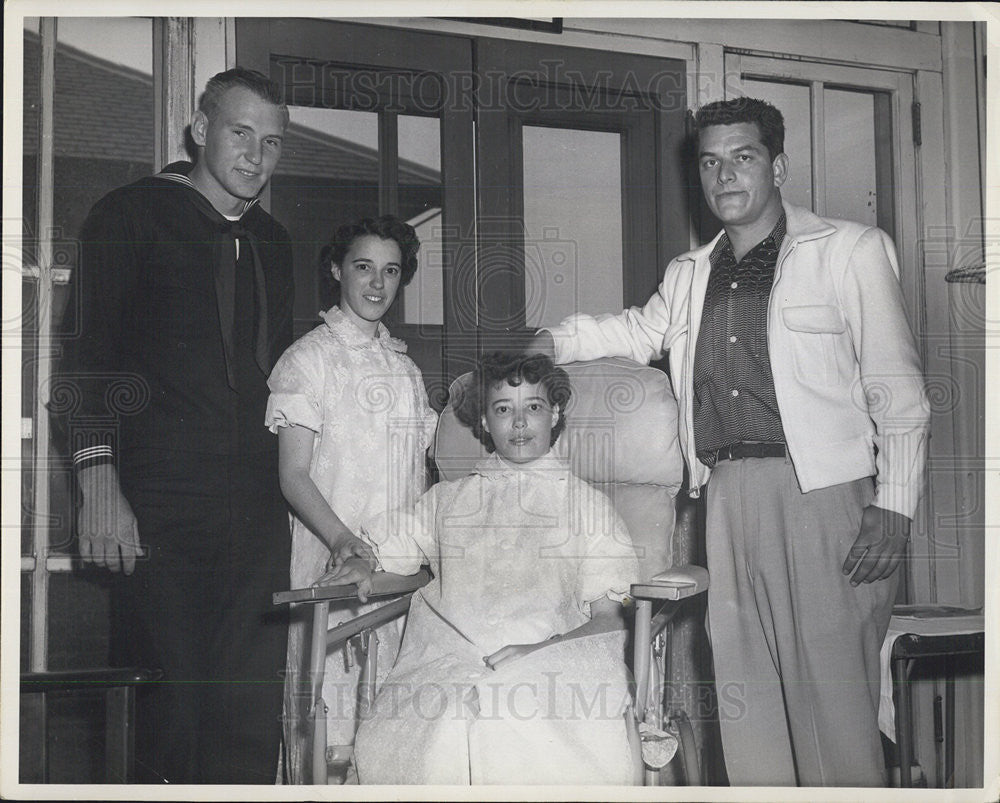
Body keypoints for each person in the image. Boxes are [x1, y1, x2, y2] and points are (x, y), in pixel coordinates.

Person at [531, 98, 930, 787]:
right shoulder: (690, 272)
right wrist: (553, 341)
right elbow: (635, 330)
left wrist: (894, 502)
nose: (725, 175)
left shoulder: (849, 249)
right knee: (748, 716)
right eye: (711, 162)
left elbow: (899, 388)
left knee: (833, 716)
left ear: (776, 165)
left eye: (742, 157)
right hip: (722, 498)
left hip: (822, 494)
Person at [54, 68, 294, 782]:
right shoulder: (129, 215)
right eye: (240, 132)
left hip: (255, 510)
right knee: (166, 710)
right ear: (199, 128)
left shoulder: (274, 243)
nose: (256, 155)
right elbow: (85, 359)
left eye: (273, 142)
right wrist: (98, 479)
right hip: (157, 503)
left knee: (247, 718)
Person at [325, 352, 640, 785]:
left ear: (556, 414)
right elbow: (383, 547)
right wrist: (362, 564)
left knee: (509, 717)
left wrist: (537, 652)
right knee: (443, 728)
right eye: (503, 409)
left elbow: (609, 622)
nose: (519, 423)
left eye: (533, 407)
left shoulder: (588, 508)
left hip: (551, 663)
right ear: (486, 424)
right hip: (445, 666)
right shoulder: (448, 501)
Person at [265, 215, 438, 784]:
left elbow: (416, 481)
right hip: (333, 566)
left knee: (390, 740)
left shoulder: (406, 371)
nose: (377, 284)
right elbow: (294, 475)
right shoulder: (308, 360)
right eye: (363, 267)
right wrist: (345, 543)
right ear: (338, 270)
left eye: (391, 271)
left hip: (399, 576)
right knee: (331, 735)